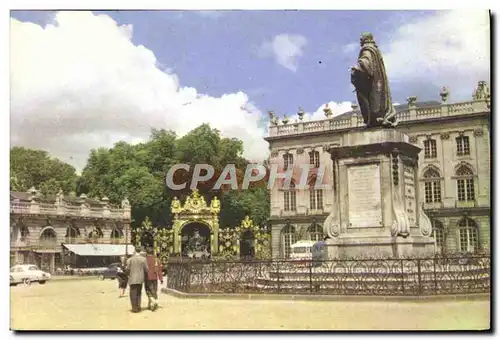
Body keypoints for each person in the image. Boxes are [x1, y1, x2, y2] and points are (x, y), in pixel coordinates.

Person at [126, 246, 149, 313]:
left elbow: (127, 269)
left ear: (135, 250)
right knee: (139, 293)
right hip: (140, 279)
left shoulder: (130, 259)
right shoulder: (143, 259)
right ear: (140, 251)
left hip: (132, 278)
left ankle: (134, 308)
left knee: (133, 293)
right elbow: (147, 269)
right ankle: (138, 307)